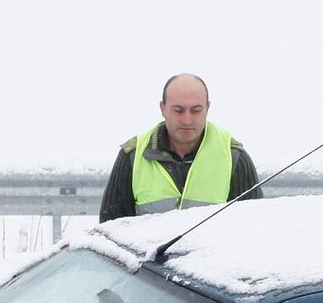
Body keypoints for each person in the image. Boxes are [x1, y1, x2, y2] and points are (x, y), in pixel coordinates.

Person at [98, 73, 262, 221]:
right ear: (163, 108)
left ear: (207, 108)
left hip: (213, 255)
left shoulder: (234, 158)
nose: (187, 120)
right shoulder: (133, 156)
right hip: (145, 255)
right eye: (178, 110)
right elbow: (109, 231)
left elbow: (251, 231)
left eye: (196, 110)